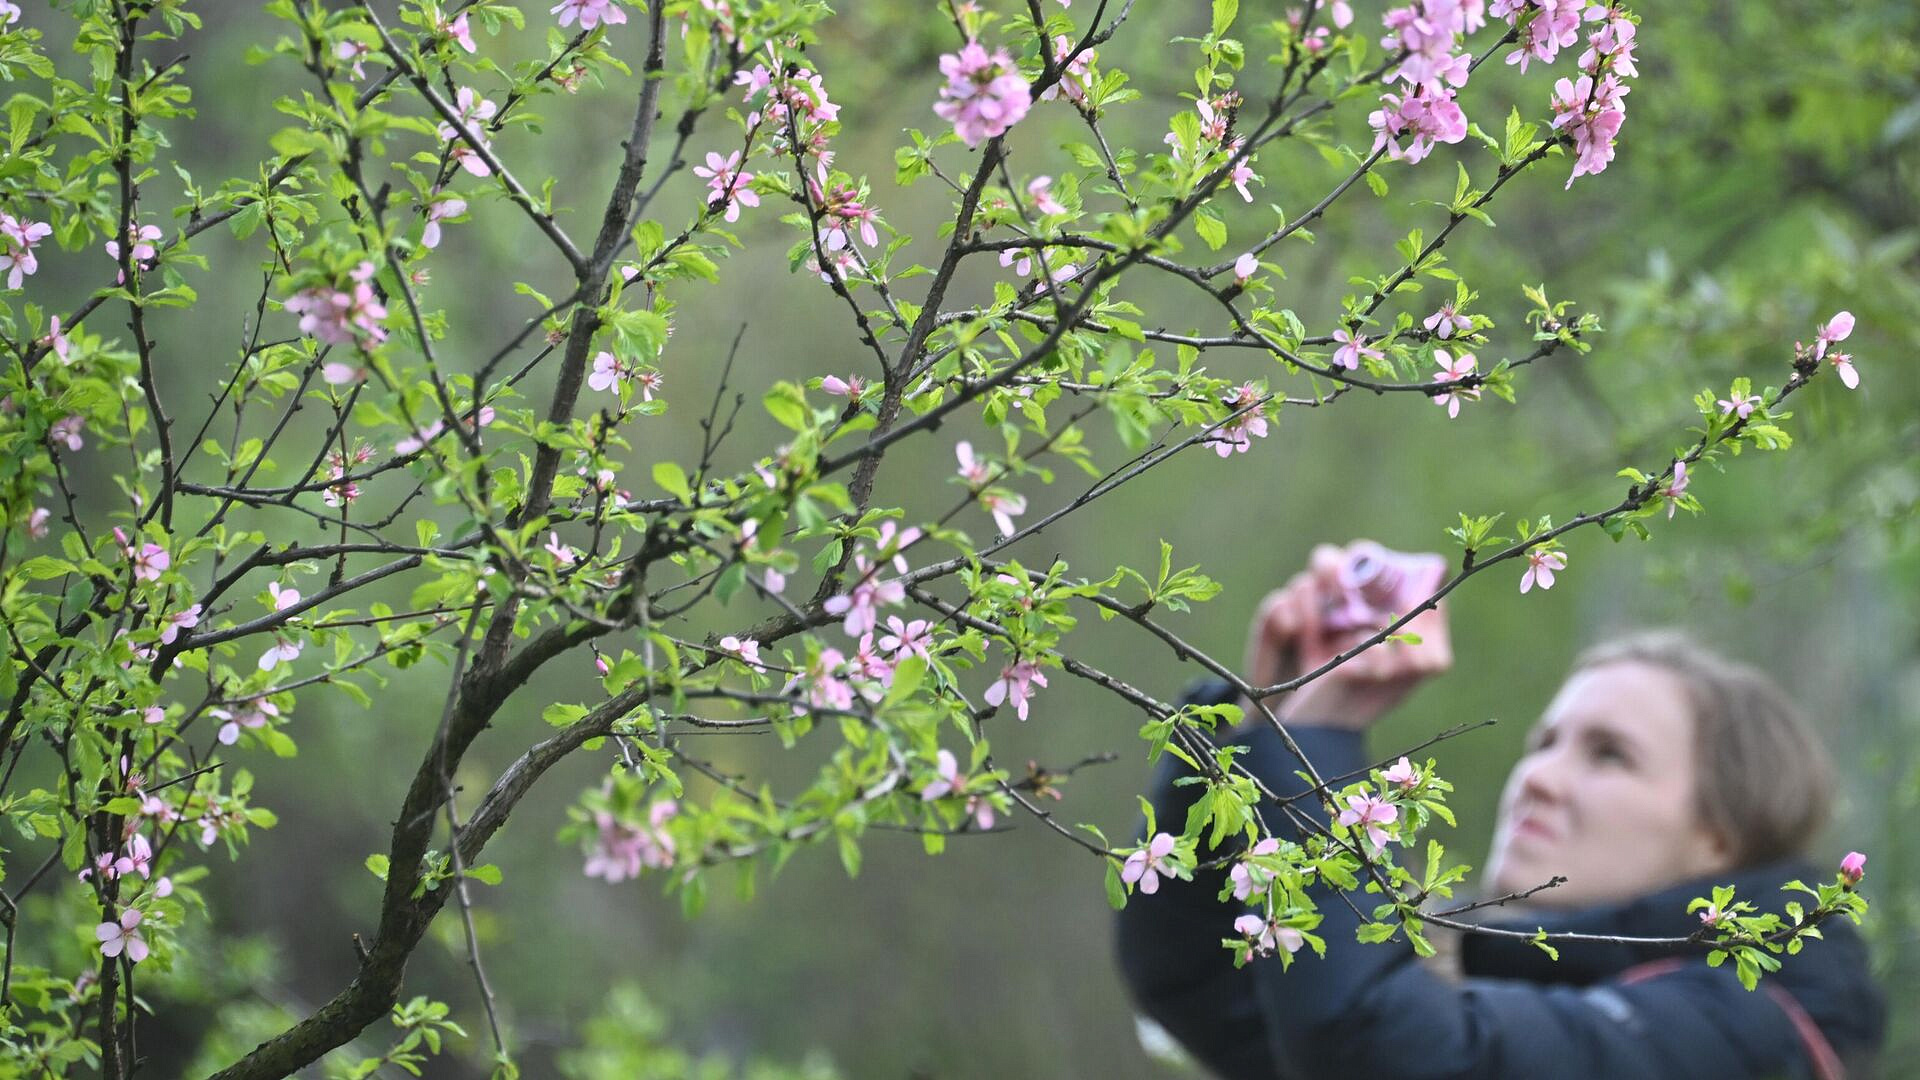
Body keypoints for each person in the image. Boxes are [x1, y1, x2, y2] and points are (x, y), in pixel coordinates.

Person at [1115, 541, 1887, 1079]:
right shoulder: (1501, 985)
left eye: (1608, 754)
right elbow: (1202, 983)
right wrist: (1263, 728)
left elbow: (1384, 1053)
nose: (1541, 776)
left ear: (1722, 835)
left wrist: (1318, 749)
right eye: (1544, 741)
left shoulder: (1754, 1029)